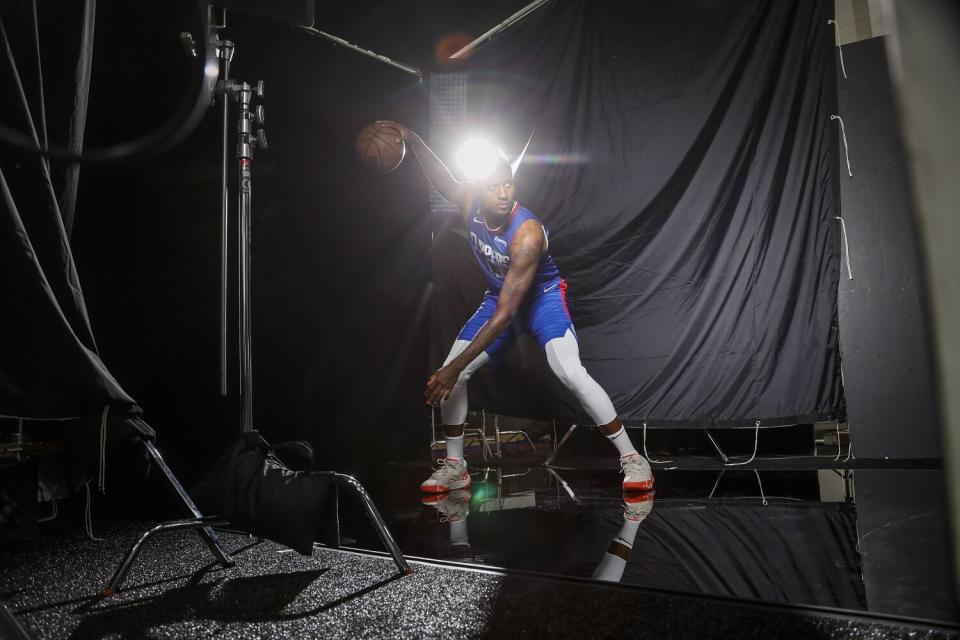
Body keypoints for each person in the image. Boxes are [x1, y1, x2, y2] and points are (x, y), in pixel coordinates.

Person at [377, 122, 653, 494]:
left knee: (568, 370)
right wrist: (413, 139)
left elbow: (508, 314)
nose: (504, 193)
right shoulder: (469, 202)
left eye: (508, 184)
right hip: (499, 297)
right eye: (494, 186)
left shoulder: (526, 234)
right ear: (480, 188)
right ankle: (455, 466)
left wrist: (453, 368)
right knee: (453, 376)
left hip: (541, 299)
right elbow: (440, 177)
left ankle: (632, 458)